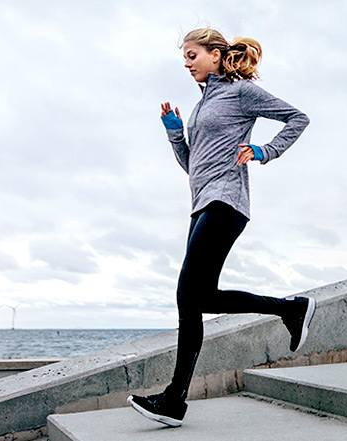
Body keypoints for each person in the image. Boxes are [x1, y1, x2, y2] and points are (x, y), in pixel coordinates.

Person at [128, 26, 314, 427]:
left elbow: (297, 118)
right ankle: (290, 309)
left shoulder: (241, 92)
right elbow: (191, 167)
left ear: (215, 54)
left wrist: (266, 150)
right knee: (199, 298)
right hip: (202, 203)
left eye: (192, 56)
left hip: (226, 201)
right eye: (184, 59)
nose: (187, 64)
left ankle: (175, 400)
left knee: (186, 295)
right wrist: (176, 134)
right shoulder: (201, 106)